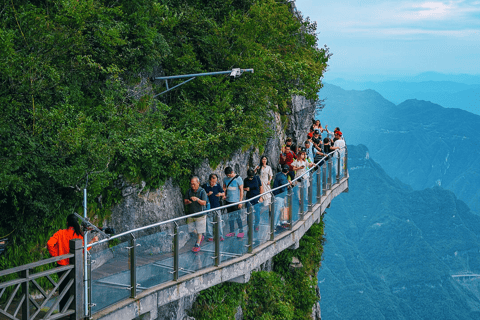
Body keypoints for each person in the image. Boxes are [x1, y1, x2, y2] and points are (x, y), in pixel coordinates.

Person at [47, 214, 98, 311]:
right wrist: (92, 241)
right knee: (74, 289)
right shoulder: (78, 235)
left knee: (63, 289)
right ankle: (72, 311)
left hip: (61, 266)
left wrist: (55, 254)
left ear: (67, 223)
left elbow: (50, 243)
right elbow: (83, 249)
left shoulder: (60, 233)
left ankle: (63, 311)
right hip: (74, 266)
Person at [184, 176, 208, 252]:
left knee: (200, 230)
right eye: (191, 184)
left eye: (194, 184)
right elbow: (185, 201)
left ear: (198, 183)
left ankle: (198, 244)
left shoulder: (202, 191)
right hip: (191, 214)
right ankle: (200, 236)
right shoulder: (189, 191)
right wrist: (188, 202)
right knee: (190, 229)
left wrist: (197, 199)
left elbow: (204, 203)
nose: (192, 186)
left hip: (200, 214)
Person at [202, 174, 225, 242]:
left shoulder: (217, 186)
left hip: (217, 206)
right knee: (209, 222)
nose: (213, 183)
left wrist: (220, 194)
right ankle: (210, 236)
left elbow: (223, 193)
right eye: (212, 182)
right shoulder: (205, 186)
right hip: (209, 207)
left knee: (219, 222)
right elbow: (201, 195)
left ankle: (220, 236)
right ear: (209, 180)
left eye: (215, 182)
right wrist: (208, 194)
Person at [223, 167, 244, 238]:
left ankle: (241, 231)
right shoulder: (225, 179)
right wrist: (224, 195)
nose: (228, 176)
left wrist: (240, 202)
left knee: (237, 216)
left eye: (229, 175)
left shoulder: (239, 179)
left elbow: (241, 190)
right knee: (230, 217)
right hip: (228, 201)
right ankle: (232, 231)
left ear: (232, 172)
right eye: (227, 175)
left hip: (236, 201)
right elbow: (224, 188)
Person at [272, 165, 292, 229]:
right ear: (288, 171)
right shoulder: (283, 178)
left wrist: (287, 183)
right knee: (279, 210)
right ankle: (276, 225)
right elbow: (283, 188)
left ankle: (281, 222)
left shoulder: (279, 174)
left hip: (276, 195)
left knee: (281, 209)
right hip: (280, 196)